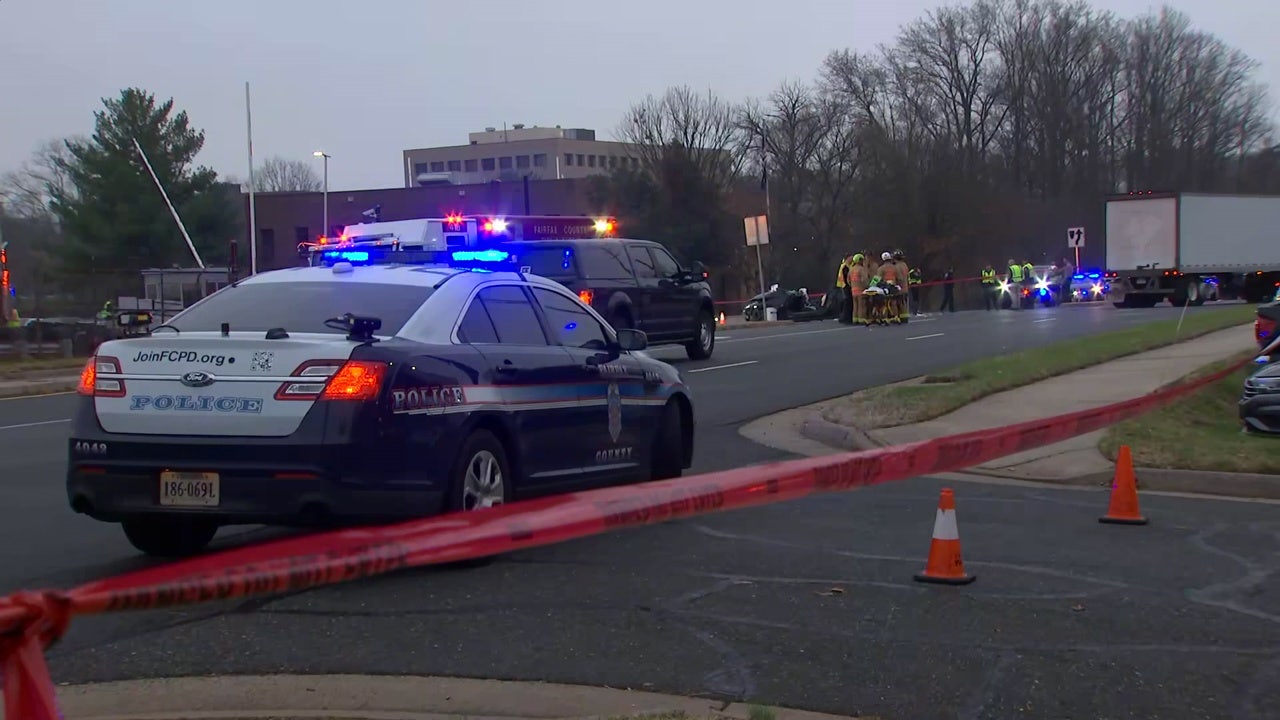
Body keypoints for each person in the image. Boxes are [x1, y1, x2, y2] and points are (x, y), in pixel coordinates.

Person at [848, 254, 869, 325]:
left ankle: (855, 319)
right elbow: (864, 280)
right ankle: (861, 320)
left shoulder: (851, 269)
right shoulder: (861, 269)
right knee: (861, 305)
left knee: (855, 306)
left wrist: (852, 285)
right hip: (861, 290)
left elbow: (848, 280)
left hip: (853, 290)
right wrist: (867, 287)